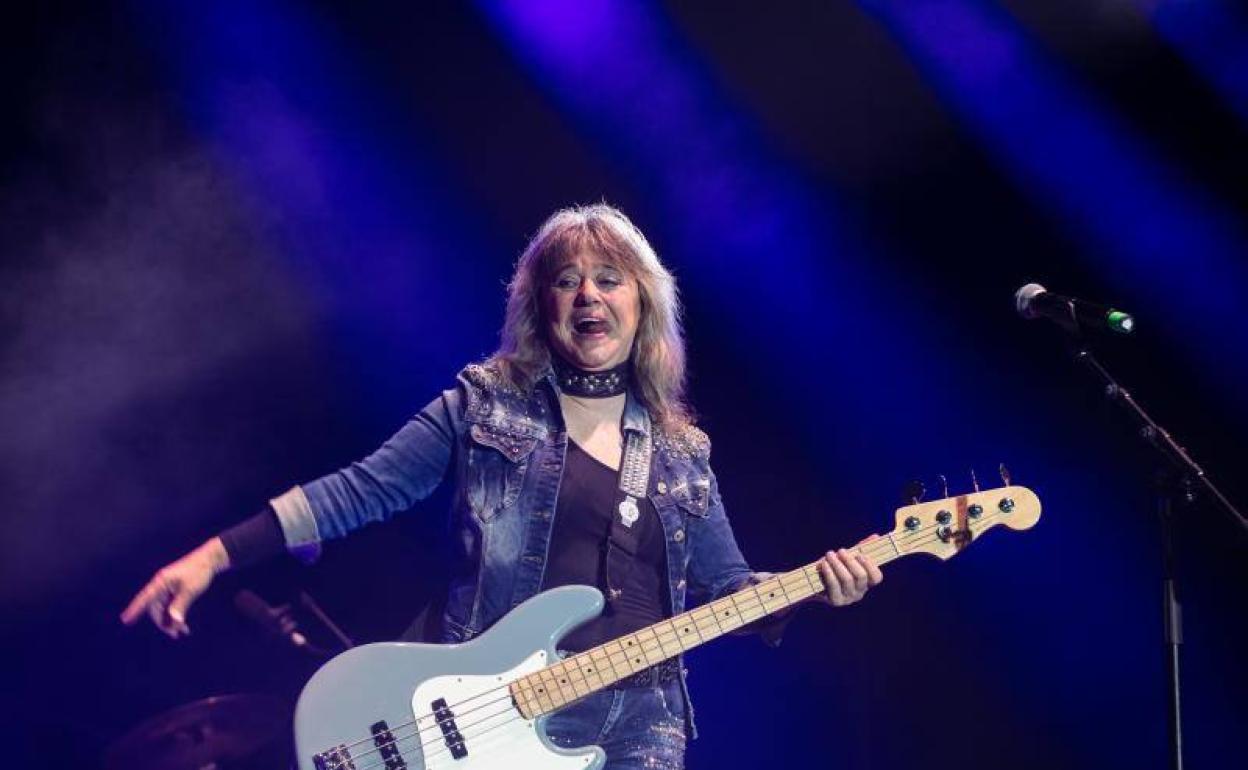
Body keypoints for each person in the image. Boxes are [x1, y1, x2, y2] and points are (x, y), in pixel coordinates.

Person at [121, 203, 883, 769]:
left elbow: (724, 589)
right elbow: (361, 489)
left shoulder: (685, 454)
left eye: (610, 280)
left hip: (637, 726)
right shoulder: (482, 407)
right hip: (484, 717)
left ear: (643, 304)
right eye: (567, 280)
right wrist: (216, 555)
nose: (589, 295)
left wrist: (816, 586)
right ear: (540, 305)